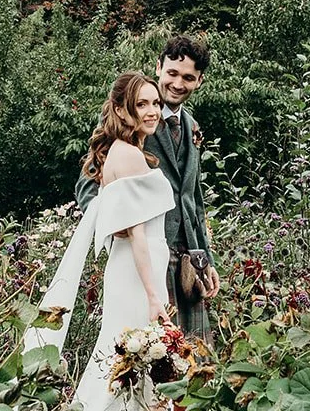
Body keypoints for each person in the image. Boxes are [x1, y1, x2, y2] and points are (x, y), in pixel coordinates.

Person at [32, 72, 177, 411]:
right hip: (138, 276)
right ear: (121, 110)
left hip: (132, 272)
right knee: (136, 365)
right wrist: (155, 295)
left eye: (155, 103)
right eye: (142, 105)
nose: (152, 111)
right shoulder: (130, 157)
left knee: (122, 369)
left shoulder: (120, 152)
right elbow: (135, 233)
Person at [76, 35, 219, 342]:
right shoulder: (129, 118)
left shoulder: (193, 126)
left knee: (195, 362)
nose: (178, 83)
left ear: (199, 81)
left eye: (188, 78)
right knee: (154, 357)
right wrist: (115, 224)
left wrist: (205, 258)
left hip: (188, 263)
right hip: (147, 258)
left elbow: (193, 199)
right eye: (172, 73)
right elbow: (89, 183)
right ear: (159, 67)